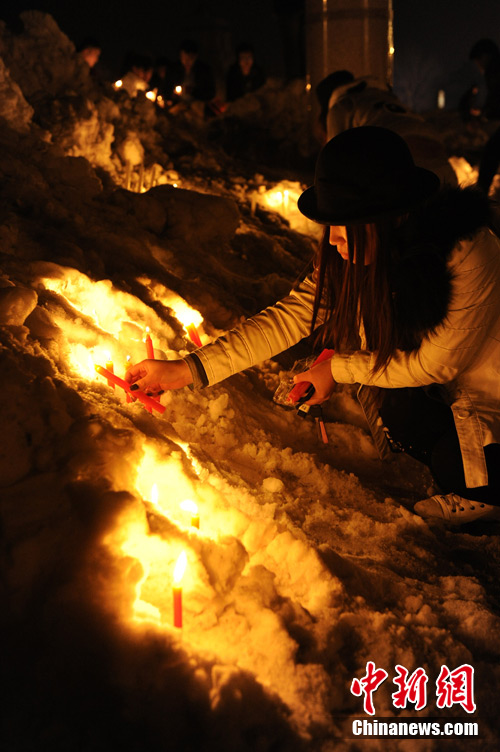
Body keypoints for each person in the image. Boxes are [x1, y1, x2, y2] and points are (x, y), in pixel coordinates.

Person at [126, 126, 500, 526]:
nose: (333, 238)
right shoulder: (360, 252)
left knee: (455, 463)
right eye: (330, 223)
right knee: (397, 411)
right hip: (446, 394)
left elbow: (435, 364)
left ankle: (487, 495)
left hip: (489, 395)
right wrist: (187, 369)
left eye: (345, 224)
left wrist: (336, 367)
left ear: (385, 216)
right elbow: (289, 316)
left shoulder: (467, 254)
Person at [316, 70, 457, 187]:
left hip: (400, 166)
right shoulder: (380, 96)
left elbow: (332, 165)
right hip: (441, 158)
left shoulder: (341, 106)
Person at [469, 38, 500, 195]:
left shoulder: (494, 70)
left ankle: (480, 194)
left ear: (485, 56)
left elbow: (497, 97)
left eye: (478, 61)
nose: (478, 66)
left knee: (492, 153)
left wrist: (484, 115)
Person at [171, 39, 216, 105]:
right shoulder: (175, 70)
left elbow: (211, 93)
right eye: (184, 58)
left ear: (195, 57)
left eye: (190, 58)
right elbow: (167, 89)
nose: (187, 62)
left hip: (198, 106)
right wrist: (173, 95)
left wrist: (192, 91)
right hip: (179, 105)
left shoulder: (204, 70)